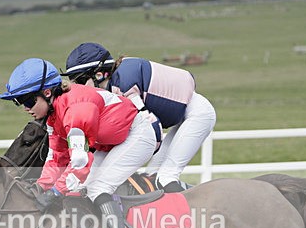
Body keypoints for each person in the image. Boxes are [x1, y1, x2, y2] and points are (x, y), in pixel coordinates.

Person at [0, 58, 157, 228]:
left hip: (139, 134)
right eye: (19, 103)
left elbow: (80, 162)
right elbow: (56, 159)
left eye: (27, 101)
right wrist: (41, 188)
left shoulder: (75, 110)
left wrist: (55, 193)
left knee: (97, 186)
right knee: (80, 186)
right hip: (114, 140)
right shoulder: (54, 116)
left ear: (47, 93)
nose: (25, 108)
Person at [63, 42, 217, 193]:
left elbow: (152, 127)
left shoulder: (123, 86)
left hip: (198, 114)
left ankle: (208, 200)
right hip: (183, 113)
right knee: (151, 179)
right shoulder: (112, 88)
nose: (78, 88)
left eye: (81, 81)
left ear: (99, 74)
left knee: (165, 179)